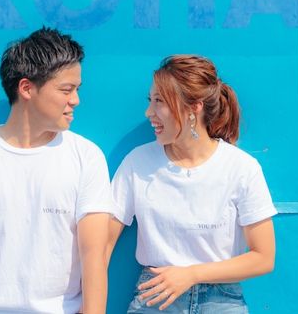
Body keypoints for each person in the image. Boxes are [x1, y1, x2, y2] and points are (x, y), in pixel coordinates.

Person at [0, 27, 111, 314]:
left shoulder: (87, 157)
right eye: (66, 90)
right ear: (27, 88)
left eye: (77, 89)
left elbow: (94, 258)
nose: (75, 100)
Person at [108, 55, 277, 313]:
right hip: (155, 297)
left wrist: (191, 274)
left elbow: (263, 257)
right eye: (150, 100)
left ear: (194, 108)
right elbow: (101, 244)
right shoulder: (138, 162)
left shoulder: (241, 167)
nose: (149, 112)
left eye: (159, 101)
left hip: (221, 300)